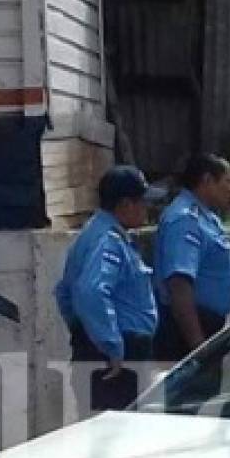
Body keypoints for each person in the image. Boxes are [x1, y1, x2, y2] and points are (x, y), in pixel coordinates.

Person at [55, 166, 158, 412]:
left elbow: (64, 294)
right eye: (143, 202)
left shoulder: (95, 234)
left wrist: (83, 331)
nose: (148, 209)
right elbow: (90, 291)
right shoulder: (108, 240)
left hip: (100, 351)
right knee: (119, 437)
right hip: (116, 361)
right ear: (125, 205)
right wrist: (110, 345)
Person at [153, 153, 230, 361]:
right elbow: (179, 283)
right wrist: (197, 345)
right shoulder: (185, 219)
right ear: (208, 180)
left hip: (207, 325)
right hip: (187, 330)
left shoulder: (207, 217)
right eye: (228, 181)